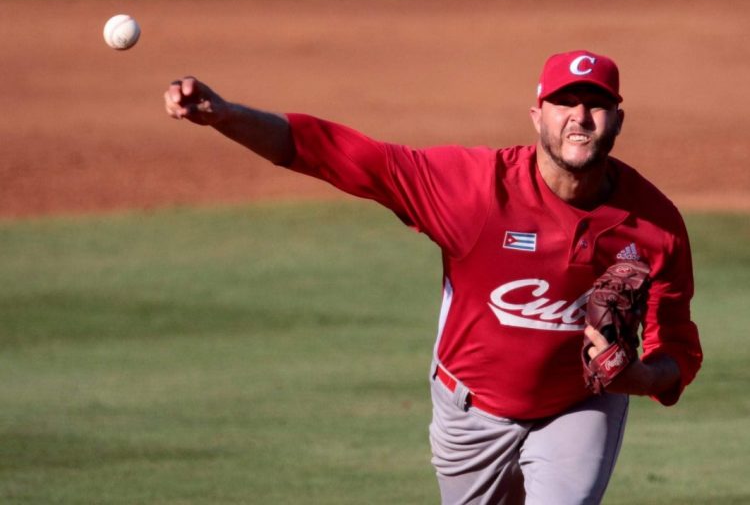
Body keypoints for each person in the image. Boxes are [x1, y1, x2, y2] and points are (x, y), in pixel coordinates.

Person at [164, 50, 702, 504]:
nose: (580, 117)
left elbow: (676, 340)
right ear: (537, 115)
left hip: (579, 405)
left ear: (618, 120)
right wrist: (225, 115)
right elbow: (337, 154)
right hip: (470, 407)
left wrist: (642, 378)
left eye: (597, 104)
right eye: (564, 102)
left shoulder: (655, 225)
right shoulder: (473, 191)